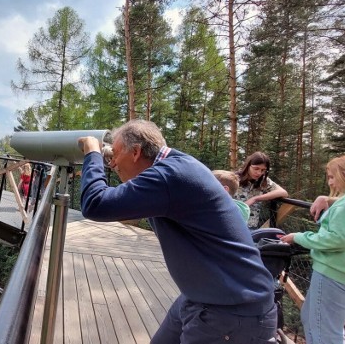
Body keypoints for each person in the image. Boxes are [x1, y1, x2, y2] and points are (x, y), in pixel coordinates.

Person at [78, 119, 276, 343]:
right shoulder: (176, 166)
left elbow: (95, 204)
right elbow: (121, 209)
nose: (112, 163)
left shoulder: (169, 175)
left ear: (136, 152)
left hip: (232, 311)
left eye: (114, 154)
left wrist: (92, 154)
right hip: (204, 297)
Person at [280, 155, 345, 344]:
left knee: (322, 332)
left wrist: (299, 237)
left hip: (335, 272)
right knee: (318, 320)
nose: (330, 182)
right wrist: (328, 199)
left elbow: (338, 239)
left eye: (333, 177)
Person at [234, 151, 289, 229]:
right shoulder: (233, 178)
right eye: (256, 168)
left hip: (251, 227)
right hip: (232, 224)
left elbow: (283, 192)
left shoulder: (263, 181)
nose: (259, 173)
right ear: (248, 165)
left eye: (263, 170)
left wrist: (256, 198)